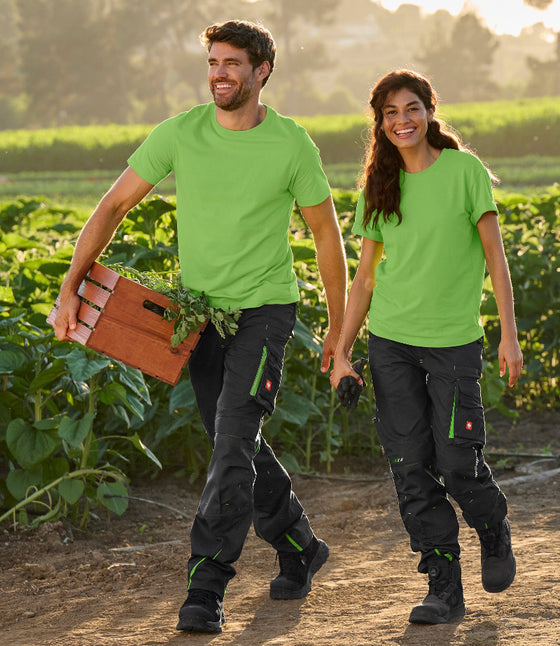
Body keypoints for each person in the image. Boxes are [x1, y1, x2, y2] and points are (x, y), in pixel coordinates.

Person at [52, 20, 347, 634]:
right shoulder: (181, 133)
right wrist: (69, 286)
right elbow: (113, 205)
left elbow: (326, 234)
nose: (219, 73)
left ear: (263, 69)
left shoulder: (292, 144)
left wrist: (339, 332)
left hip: (266, 312)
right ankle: (299, 545)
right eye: (213, 61)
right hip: (200, 317)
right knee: (231, 438)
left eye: (233, 63)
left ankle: (206, 582)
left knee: (234, 438)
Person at [331, 69, 523, 625]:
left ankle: (492, 525)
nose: (401, 121)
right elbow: (365, 279)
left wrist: (509, 335)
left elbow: (495, 258)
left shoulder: (464, 172)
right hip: (391, 341)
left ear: (429, 110)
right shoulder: (379, 185)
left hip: (454, 344)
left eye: (411, 108)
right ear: (380, 122)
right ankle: (443, 585)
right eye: (389, 113)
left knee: (458, 462)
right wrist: (343, 351)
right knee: (411, 465)